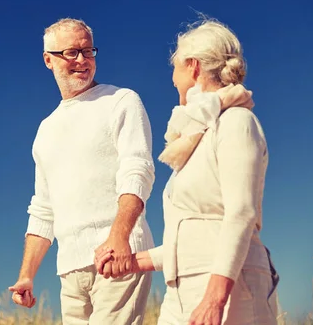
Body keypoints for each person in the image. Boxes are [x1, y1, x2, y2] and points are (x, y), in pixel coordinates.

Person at [95, 16, 280, 325]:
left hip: (232, 289)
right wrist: (131, 262)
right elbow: (189, 243)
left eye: (175, 67)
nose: (172, 78)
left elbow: (241, 214)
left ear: (192, 66)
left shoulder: (236, 122)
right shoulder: (194, 141)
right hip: (180, 292)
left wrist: (214, 298)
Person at [8, 18, 156, 325]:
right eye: (72, 52)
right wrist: (26, 276)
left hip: (118, 257)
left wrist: (119, 238)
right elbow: (43, 209)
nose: (82, 60)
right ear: (48, 59)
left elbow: (137, 171)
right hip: (70, 271)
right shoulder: (46, 130)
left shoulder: (121, 101)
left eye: (88, 51)